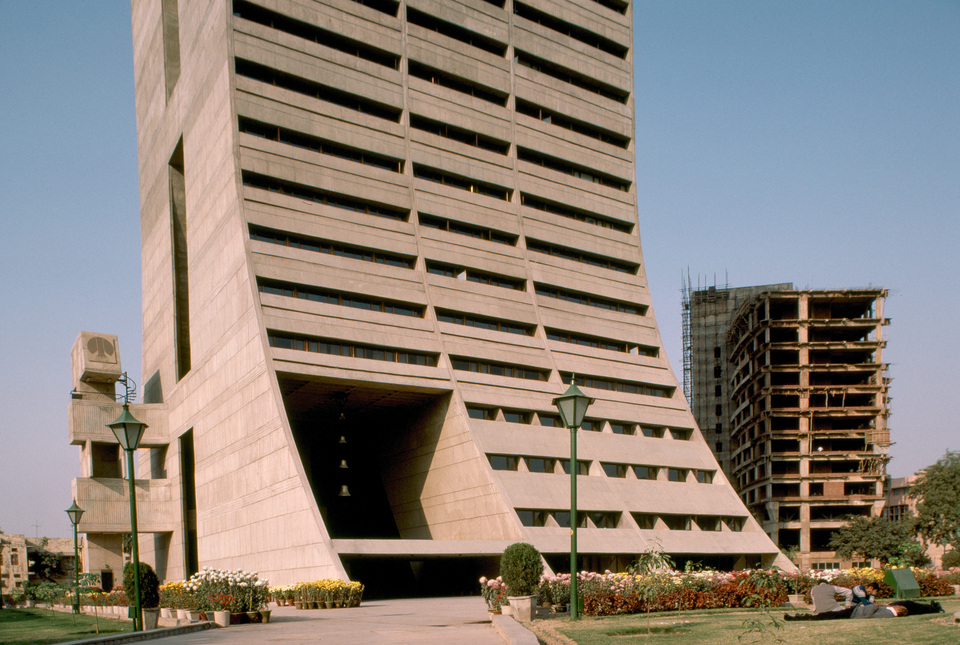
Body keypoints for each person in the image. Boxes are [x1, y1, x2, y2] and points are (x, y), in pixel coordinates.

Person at [784, 582, 854, 621]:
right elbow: (849, 592)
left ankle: (799, 617)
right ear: (826, 583)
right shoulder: (832, 587)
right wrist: (847, 604)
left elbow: (814, 603)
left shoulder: (813, 589)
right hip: (835, 610)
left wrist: (816, 612)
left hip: (820, 612)